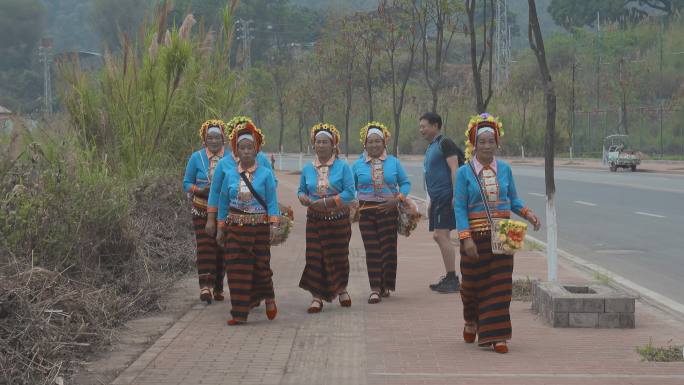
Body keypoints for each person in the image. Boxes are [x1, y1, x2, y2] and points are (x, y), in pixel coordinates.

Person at [454, 113, 541, 353]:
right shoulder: (464, 173)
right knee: (471, 286)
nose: (486, 146)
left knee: (501, 287)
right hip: (474, 237)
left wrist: (527, 213)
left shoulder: (505, 170)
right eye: (481, 141)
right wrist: (466, 237)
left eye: (490, 141)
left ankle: (497, 335)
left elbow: (512, 199)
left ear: (497, 143)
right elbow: (459, 207)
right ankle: (471, 319)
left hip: (503, 235)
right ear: (473, 143)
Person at [214, 120, 280, 325]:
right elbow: (223, 200)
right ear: (236, 150)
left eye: (250, 147)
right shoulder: (230, 174)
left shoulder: (266, 174)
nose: (246, 152)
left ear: (256, 149)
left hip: (258, 229)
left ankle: (269, 297)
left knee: (261, 267)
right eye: (242, 148)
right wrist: (220, 227)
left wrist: (274, 224)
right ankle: (239, 314)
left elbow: (271, 201)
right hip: (235, 229)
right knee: (235, 269)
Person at [297, 123, 356, 313]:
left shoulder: (343, 167)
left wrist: (328, 202)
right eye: (318, 142)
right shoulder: (307, 168)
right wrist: (302, 197)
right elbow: (301, 190)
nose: (321, 145)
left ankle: (342, 289)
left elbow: (349, 193)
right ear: (313, 145)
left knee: (339, 255)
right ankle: (316, 297)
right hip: (314, 219)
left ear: (333, 145)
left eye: (325, 142)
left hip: (338, 219)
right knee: (314, 257)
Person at [352, 122, 410, 304]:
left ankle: (385, 285)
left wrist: (397, 199)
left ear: (384, 143)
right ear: (365, 144)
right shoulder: (357, 165)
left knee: (388, 250)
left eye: (378, 141)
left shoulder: (394, 162)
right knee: (372, 249)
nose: (374, 145)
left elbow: (406, 183)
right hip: (366, 212)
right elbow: (350, 187)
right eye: (370, 142)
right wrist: (354, 201)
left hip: (389, 211)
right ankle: (375, 289)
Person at [205, 116, 273, 241]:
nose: (246, 150)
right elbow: (215, 192)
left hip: (259, 222)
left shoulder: (262, 159)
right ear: (233, 139)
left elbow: (272, 187)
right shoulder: (223, 164)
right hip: (231, 220)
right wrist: (211, 220)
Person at [182, 119, 227, 304]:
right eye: (210, 137)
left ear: (223, 139)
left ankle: (218, 287)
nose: (213, 141)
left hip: (223, 211)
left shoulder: (231, 159)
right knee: (205, 247)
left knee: (221, 248)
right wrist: (199, 190)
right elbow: (186, 183)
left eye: (217, 137)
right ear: (204, 140)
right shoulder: (196, 158)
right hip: (201, 209)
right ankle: (205, 287)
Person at [419, 112, 464, 293]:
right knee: (439, 236)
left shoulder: (445, 143)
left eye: (424, 126)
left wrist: (456, 194)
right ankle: (450, 276)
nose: (421, 130)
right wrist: (430, 201)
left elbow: (455, 168)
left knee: (440, 236)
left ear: (436, 125)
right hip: (438, 199)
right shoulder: (432, 146)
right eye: (420, 127)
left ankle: (452, 278)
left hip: (446, 196)